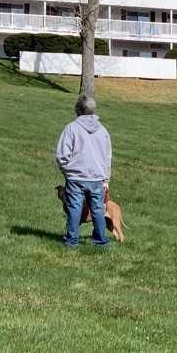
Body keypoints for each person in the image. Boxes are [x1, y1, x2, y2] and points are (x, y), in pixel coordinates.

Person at [55, 94, 113, 249]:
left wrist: (66, 170)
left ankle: (71, 241)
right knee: (98, 210)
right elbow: (107, 157)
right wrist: (106, 179)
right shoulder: (103, 130)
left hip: (76, 177)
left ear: (78, 110)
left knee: (74, 209)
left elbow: (62, 154)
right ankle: (100, 242)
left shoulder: (71, 128)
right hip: (97, 178)